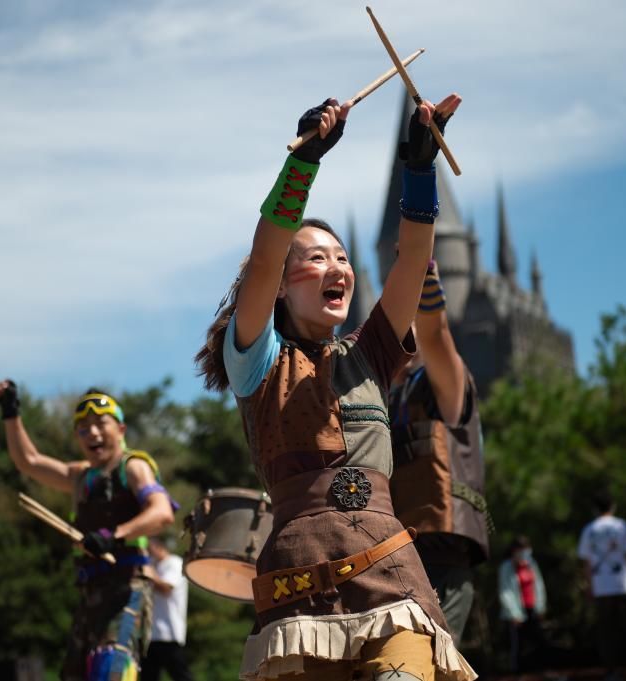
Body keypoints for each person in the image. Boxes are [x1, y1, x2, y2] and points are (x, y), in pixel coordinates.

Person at [195, 93, 475, 681]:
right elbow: (267, 253)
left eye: (342, 257)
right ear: (278, 288)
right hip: (300, 591)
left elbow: (414, 257)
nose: (339, 269)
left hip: (391, 578)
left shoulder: (370, 351)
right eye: (317, 259)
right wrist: (305, 162)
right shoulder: (257, 361)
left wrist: (417, 169)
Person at [0, 382, 176, 681]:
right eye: (83, 428)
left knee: (111, 670)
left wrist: (114, 534)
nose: (92, 433)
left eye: (101, 424)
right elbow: (29, 461)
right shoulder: (81, 476)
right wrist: (10, 412)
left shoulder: (133, 467)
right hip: (89, 591)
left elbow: (162, 511)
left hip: (126, 587)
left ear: (120, 429)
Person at [389, 259, 490, 640]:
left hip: (440, 559)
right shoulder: (383, 396)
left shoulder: (444, 382)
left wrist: (420, 272)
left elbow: (435, 334)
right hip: (391, 562)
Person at [577, 492, 626, 681]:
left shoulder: (589, 530)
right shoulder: (621, 526)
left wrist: (590, 586)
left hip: (602, 587)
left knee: (608, 631)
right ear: (613, 506)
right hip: (623, 584)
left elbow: (587, 564)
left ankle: (612, 671)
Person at [142, 536, 195, 681]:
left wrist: (148, 571)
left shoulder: (174, 563)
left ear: (158, 547)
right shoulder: (155, 565)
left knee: (181, 675)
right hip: (150, 634)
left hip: (168, 634)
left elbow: (166, 588)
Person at [498, 536, 547, 674]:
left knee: (537, 641)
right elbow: (505, 592)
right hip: (516, 612)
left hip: (533, 608)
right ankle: (517, 672)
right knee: (517, 644)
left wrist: (541, 606)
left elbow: (539, 585)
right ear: (514, 551)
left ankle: (537, 670)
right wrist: (514, 613)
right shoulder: (506, 567)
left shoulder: (531, 564)